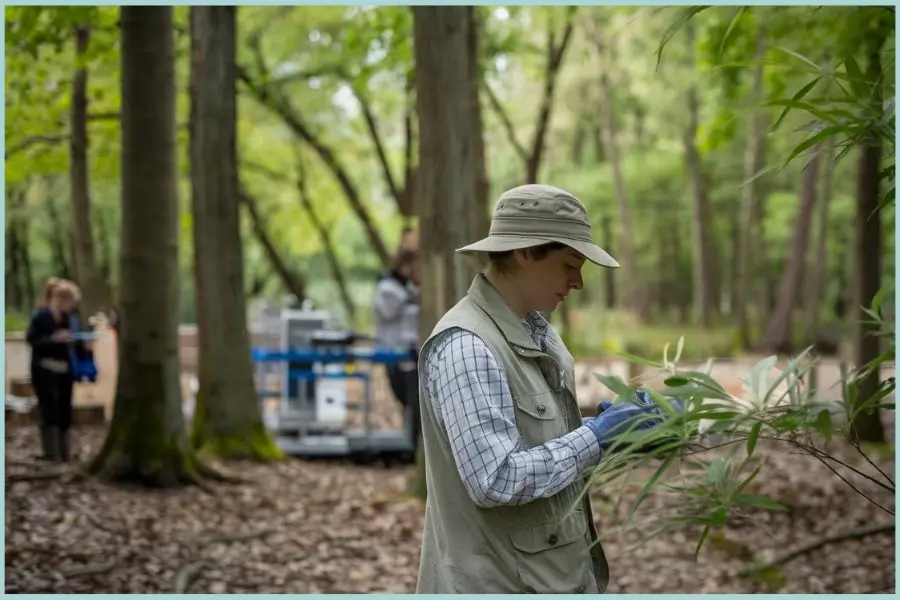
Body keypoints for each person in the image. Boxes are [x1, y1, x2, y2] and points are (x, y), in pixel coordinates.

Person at [415, 184, 673, 594]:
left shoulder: (538, 333)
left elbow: (544, 451)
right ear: (524, 251)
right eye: (569, 264)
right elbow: (494, 479)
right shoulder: (467, 345)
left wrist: (622, 433)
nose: (578, 282)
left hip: (549, 578)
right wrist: (595, 437)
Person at [26, 278, 89, 462]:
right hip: (44, 368)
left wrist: (82, 345)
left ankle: (65, 452)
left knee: (65, 410)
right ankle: (51, 453)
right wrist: (53, 339)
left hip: (65, 369)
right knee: (49, 410)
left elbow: (76, 344)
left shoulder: (71, 320)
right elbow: (32, 340)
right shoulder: (41, 317)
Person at [374, 248, 421, 452]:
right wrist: (411, 293)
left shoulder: (408, 287)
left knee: (414, 401)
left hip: (410, 353)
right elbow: (389, 310)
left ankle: (413, 442)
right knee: (405, 398)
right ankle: (410, 443)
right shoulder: (388, 288)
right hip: (394, 351)